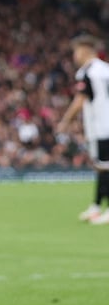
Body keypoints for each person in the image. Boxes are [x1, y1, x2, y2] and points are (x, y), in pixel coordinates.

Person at [56, 33, 109, 225]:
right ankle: (96, 206)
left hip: (102, 127)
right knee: (102, 167)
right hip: (104, 125)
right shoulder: (105, 69)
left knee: (105, 167)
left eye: (76, 51)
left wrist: (65, 121)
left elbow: (80, 100)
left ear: (85, 50)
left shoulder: (87, 72)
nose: (74, 56)